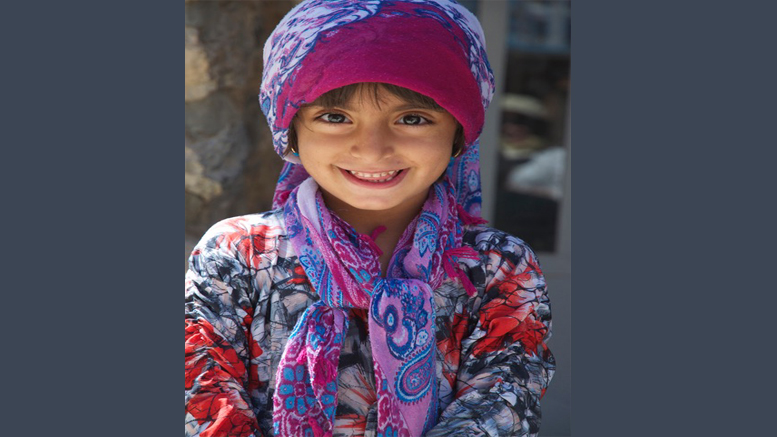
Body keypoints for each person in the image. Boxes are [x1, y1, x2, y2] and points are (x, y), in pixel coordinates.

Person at [185, 1, 555, 436]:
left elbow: (502, 404)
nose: (373, 148)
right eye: (335, 117)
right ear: (290, 132)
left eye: (412, 118)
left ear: (459, 133)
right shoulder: (239, 254)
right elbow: (205, 399)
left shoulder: (499, 267)